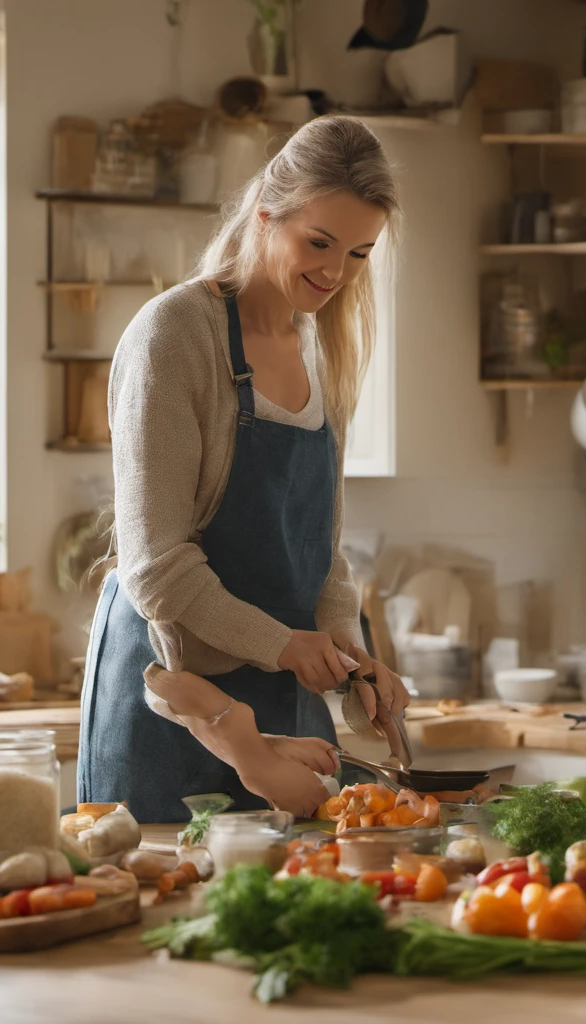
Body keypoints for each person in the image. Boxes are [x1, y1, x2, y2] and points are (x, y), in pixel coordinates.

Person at [78, 116, 407, 823]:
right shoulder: (173, 336)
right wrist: (286, 646)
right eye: (318, 243)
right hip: (173, 702)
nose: (335, 273)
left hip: (286, 703)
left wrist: (352, 664)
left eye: (358, 253)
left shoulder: (324, 349)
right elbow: (157, 568)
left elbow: (322, 561)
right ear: (265, 216)